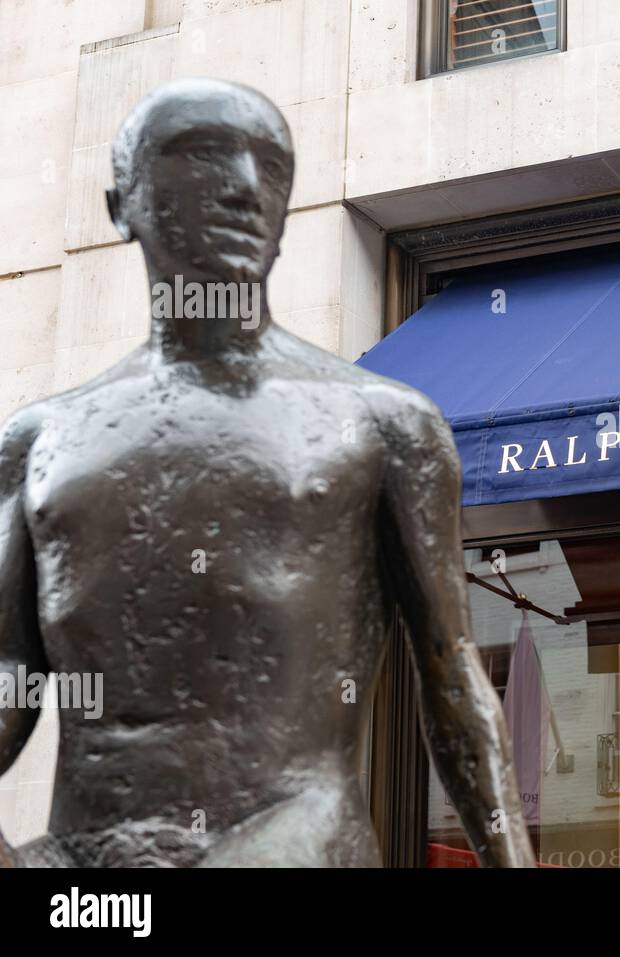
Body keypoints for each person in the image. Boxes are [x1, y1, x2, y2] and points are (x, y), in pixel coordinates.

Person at [0, 78, 534, 867]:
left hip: (287, 846)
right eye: (204, 156)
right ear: (122, 204)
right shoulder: (41, 440)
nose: (248, 191)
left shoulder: (382, 422)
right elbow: (12, 675)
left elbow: (450, 671)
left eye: (272, 166)